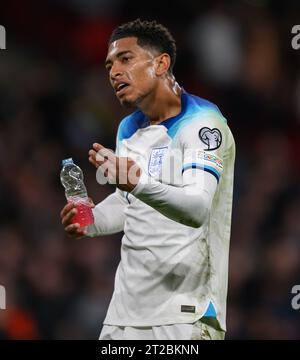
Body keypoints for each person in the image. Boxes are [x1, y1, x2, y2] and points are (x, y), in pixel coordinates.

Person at [60, 19, 235, 340]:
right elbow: (130, 205)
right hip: (124, 313)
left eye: (125, 59)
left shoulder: (202, 123)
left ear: (161, 63)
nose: (113, 72)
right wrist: (91, 221)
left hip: (183, 312)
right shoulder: (129, 128)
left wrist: (138, 184)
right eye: (109, 65)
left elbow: (197, 208)